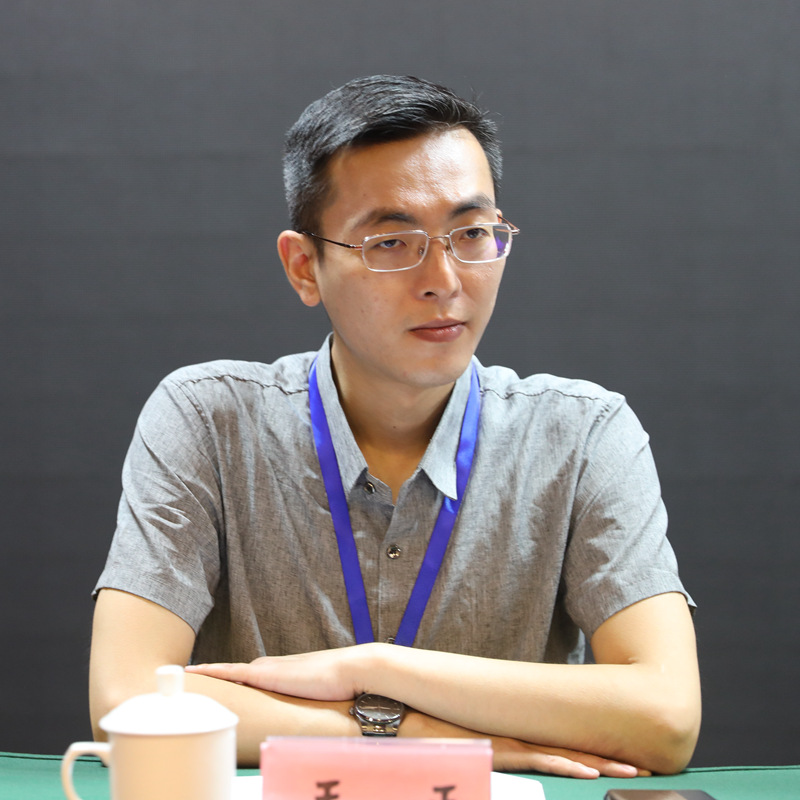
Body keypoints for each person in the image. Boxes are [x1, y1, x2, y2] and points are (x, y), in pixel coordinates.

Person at [89, 75, 701, 778]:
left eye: (472, 233)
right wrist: (415, 734)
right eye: (390, 242)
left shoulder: (585, 435)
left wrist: (374, 668)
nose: (444, 278)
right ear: (304, 267)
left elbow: (665, 716)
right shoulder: (206, 419)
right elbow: (127, 700)